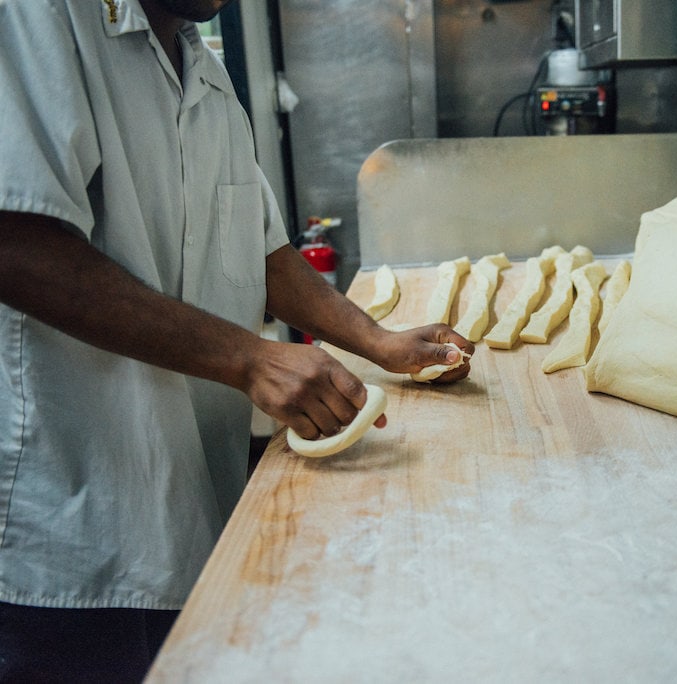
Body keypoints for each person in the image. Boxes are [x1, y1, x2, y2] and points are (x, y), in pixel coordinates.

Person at [0, 0, 473, 679]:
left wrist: (380, 341)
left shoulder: (208, 75)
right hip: (72, 527)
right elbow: (16, 244)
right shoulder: (41, 18)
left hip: (191, 503)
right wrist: (250, 359)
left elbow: (264, 252)